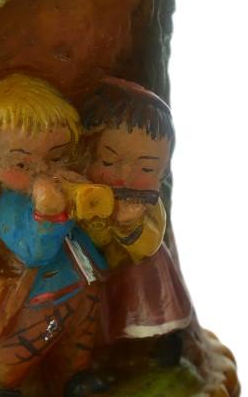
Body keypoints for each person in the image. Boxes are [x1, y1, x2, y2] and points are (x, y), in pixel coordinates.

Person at [0, 74, 109, 397]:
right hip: (40, 295)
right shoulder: (12, 207)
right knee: (25, 343)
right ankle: (3, 387)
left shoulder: (63, 188)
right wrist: (48, 214)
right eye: (22, 164)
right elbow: (36, 252)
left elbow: (88, 234)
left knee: (81, 335)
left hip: (82, 284)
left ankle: (76, 373)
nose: (42, 171)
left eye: (56, 157)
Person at [79, 77, 193, 367]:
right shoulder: (85, 195)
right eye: (108, 162)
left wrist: (131, 226)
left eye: (146, 168)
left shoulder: (148, 206)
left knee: (150, 268)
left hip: (134, 263)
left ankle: (162, 337)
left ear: (162, 171)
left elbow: (149, 242)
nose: (125, 176)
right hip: (94, 267)